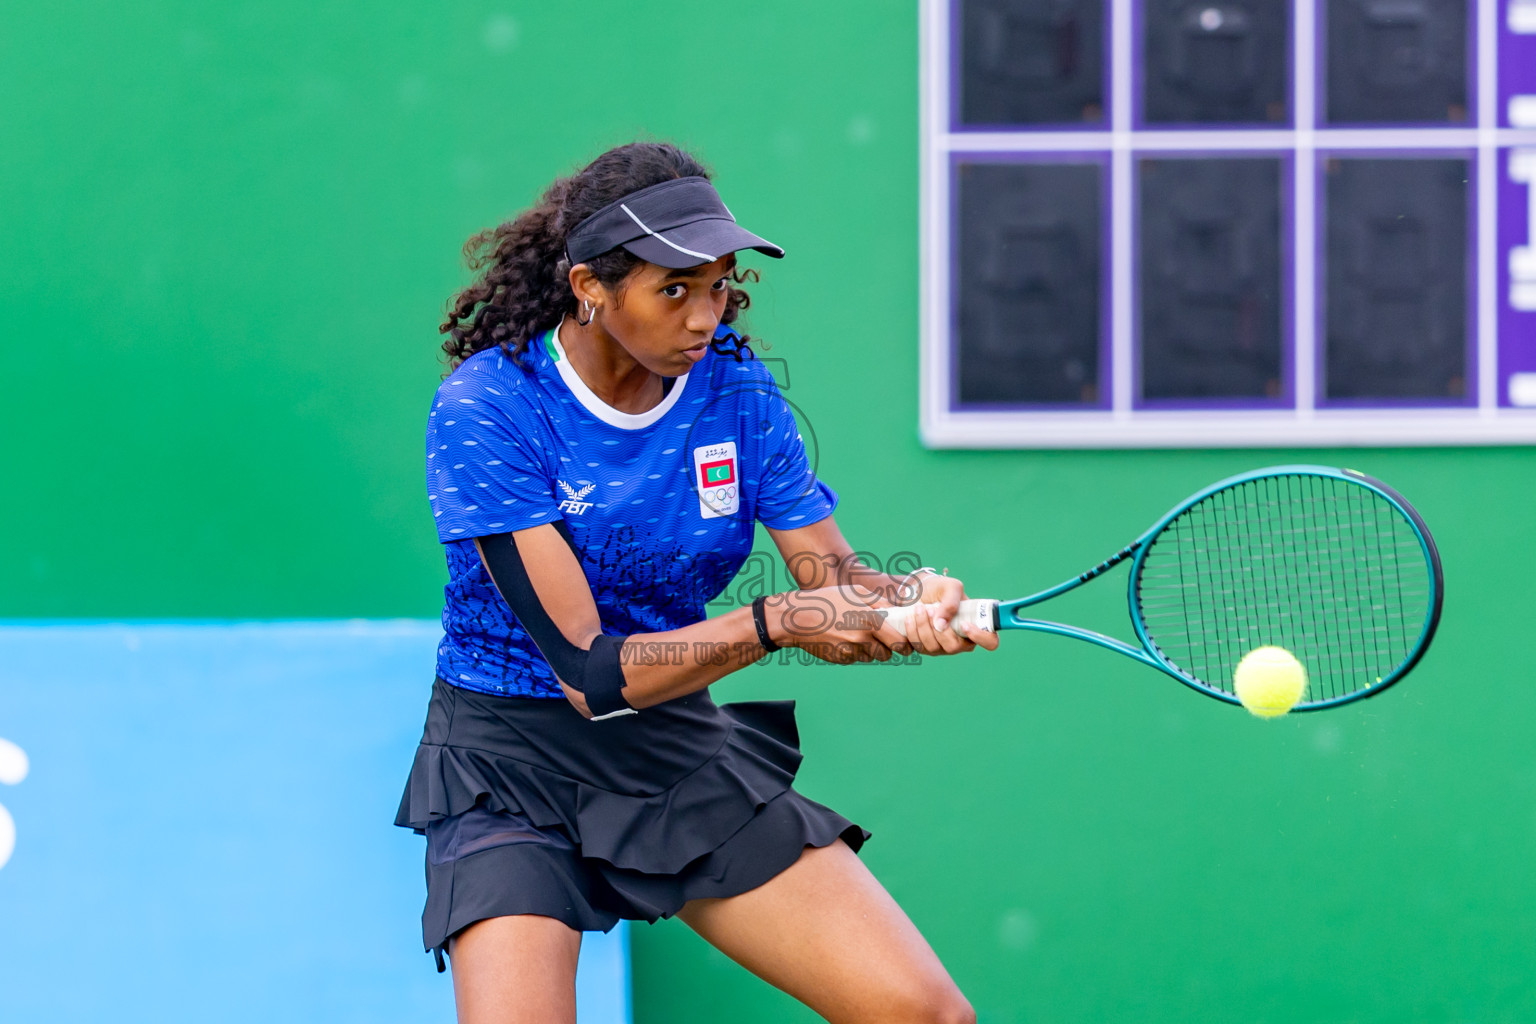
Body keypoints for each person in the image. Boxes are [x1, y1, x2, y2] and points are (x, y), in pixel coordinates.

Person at [395, 141, 996, 1024]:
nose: (704, 314)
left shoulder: (736, 394)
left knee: (924, 1013)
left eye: (717, 284)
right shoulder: (491, 409)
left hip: (669, 747)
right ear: (590, 288)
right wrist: (782, 620)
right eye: (672, 289)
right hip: (508, 760)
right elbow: (592, 675)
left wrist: (901, 608)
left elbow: (832, 582)